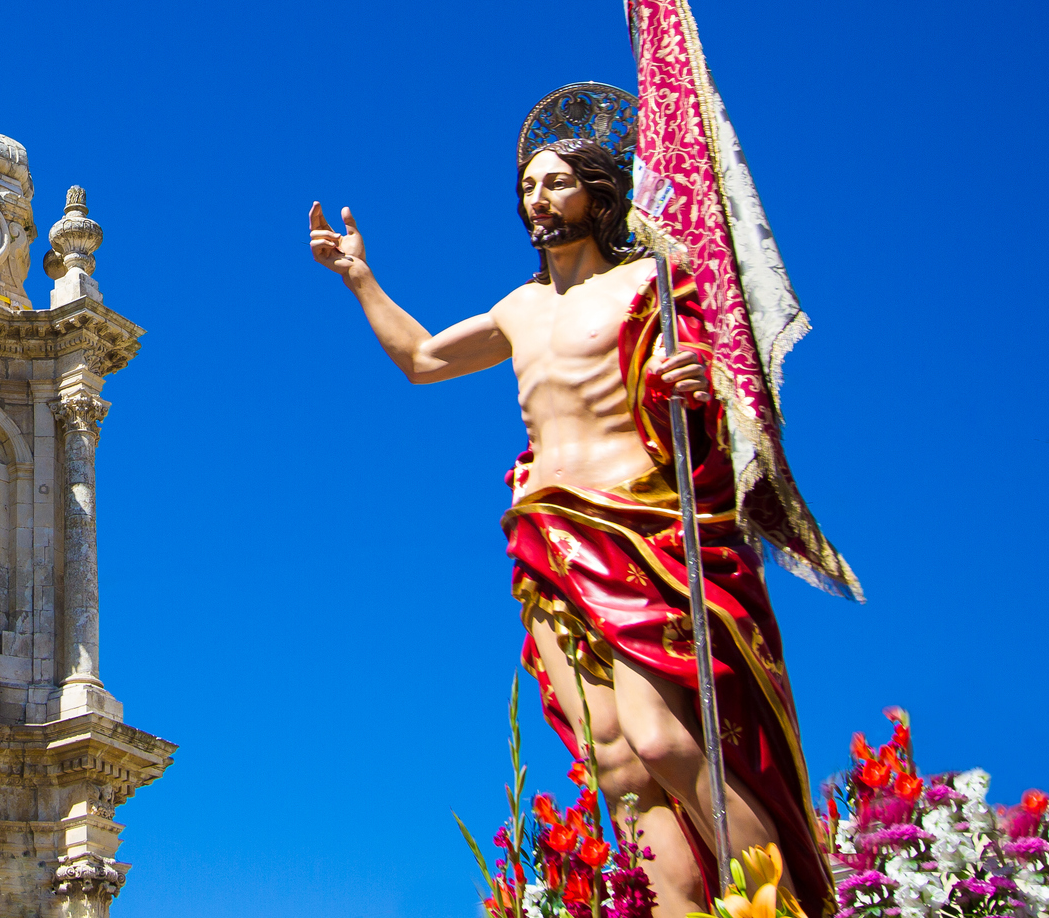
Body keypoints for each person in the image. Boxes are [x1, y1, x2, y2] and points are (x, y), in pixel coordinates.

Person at [309, 138, 831, 917]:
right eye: (528, 185)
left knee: (662, 737)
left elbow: (732, 389)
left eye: (556, 182)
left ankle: (776, 905)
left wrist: (702, 383)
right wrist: (359, 276)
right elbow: (420, 358)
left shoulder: (652, 281)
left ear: (597, 193)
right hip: (550, 534)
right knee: (615, 763)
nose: (538, 197)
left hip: (641, 522)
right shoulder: (519, 308)